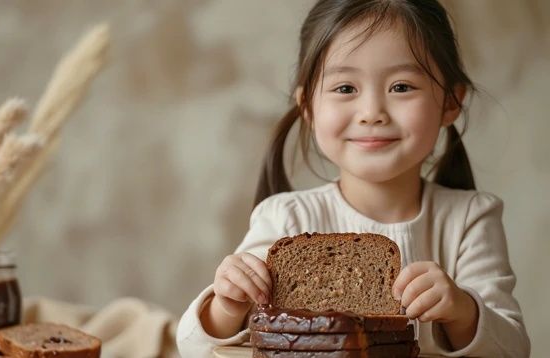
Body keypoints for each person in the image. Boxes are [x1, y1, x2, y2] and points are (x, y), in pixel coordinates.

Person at [176, 1, 530, 356]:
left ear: (451, 102)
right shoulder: (285, 218)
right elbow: (192, 347)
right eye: (345, 88)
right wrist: (226, 306)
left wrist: (462, 310)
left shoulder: (470, 218)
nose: (372, 112)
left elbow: (514, 349)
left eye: (402, 86)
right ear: (308, 107)